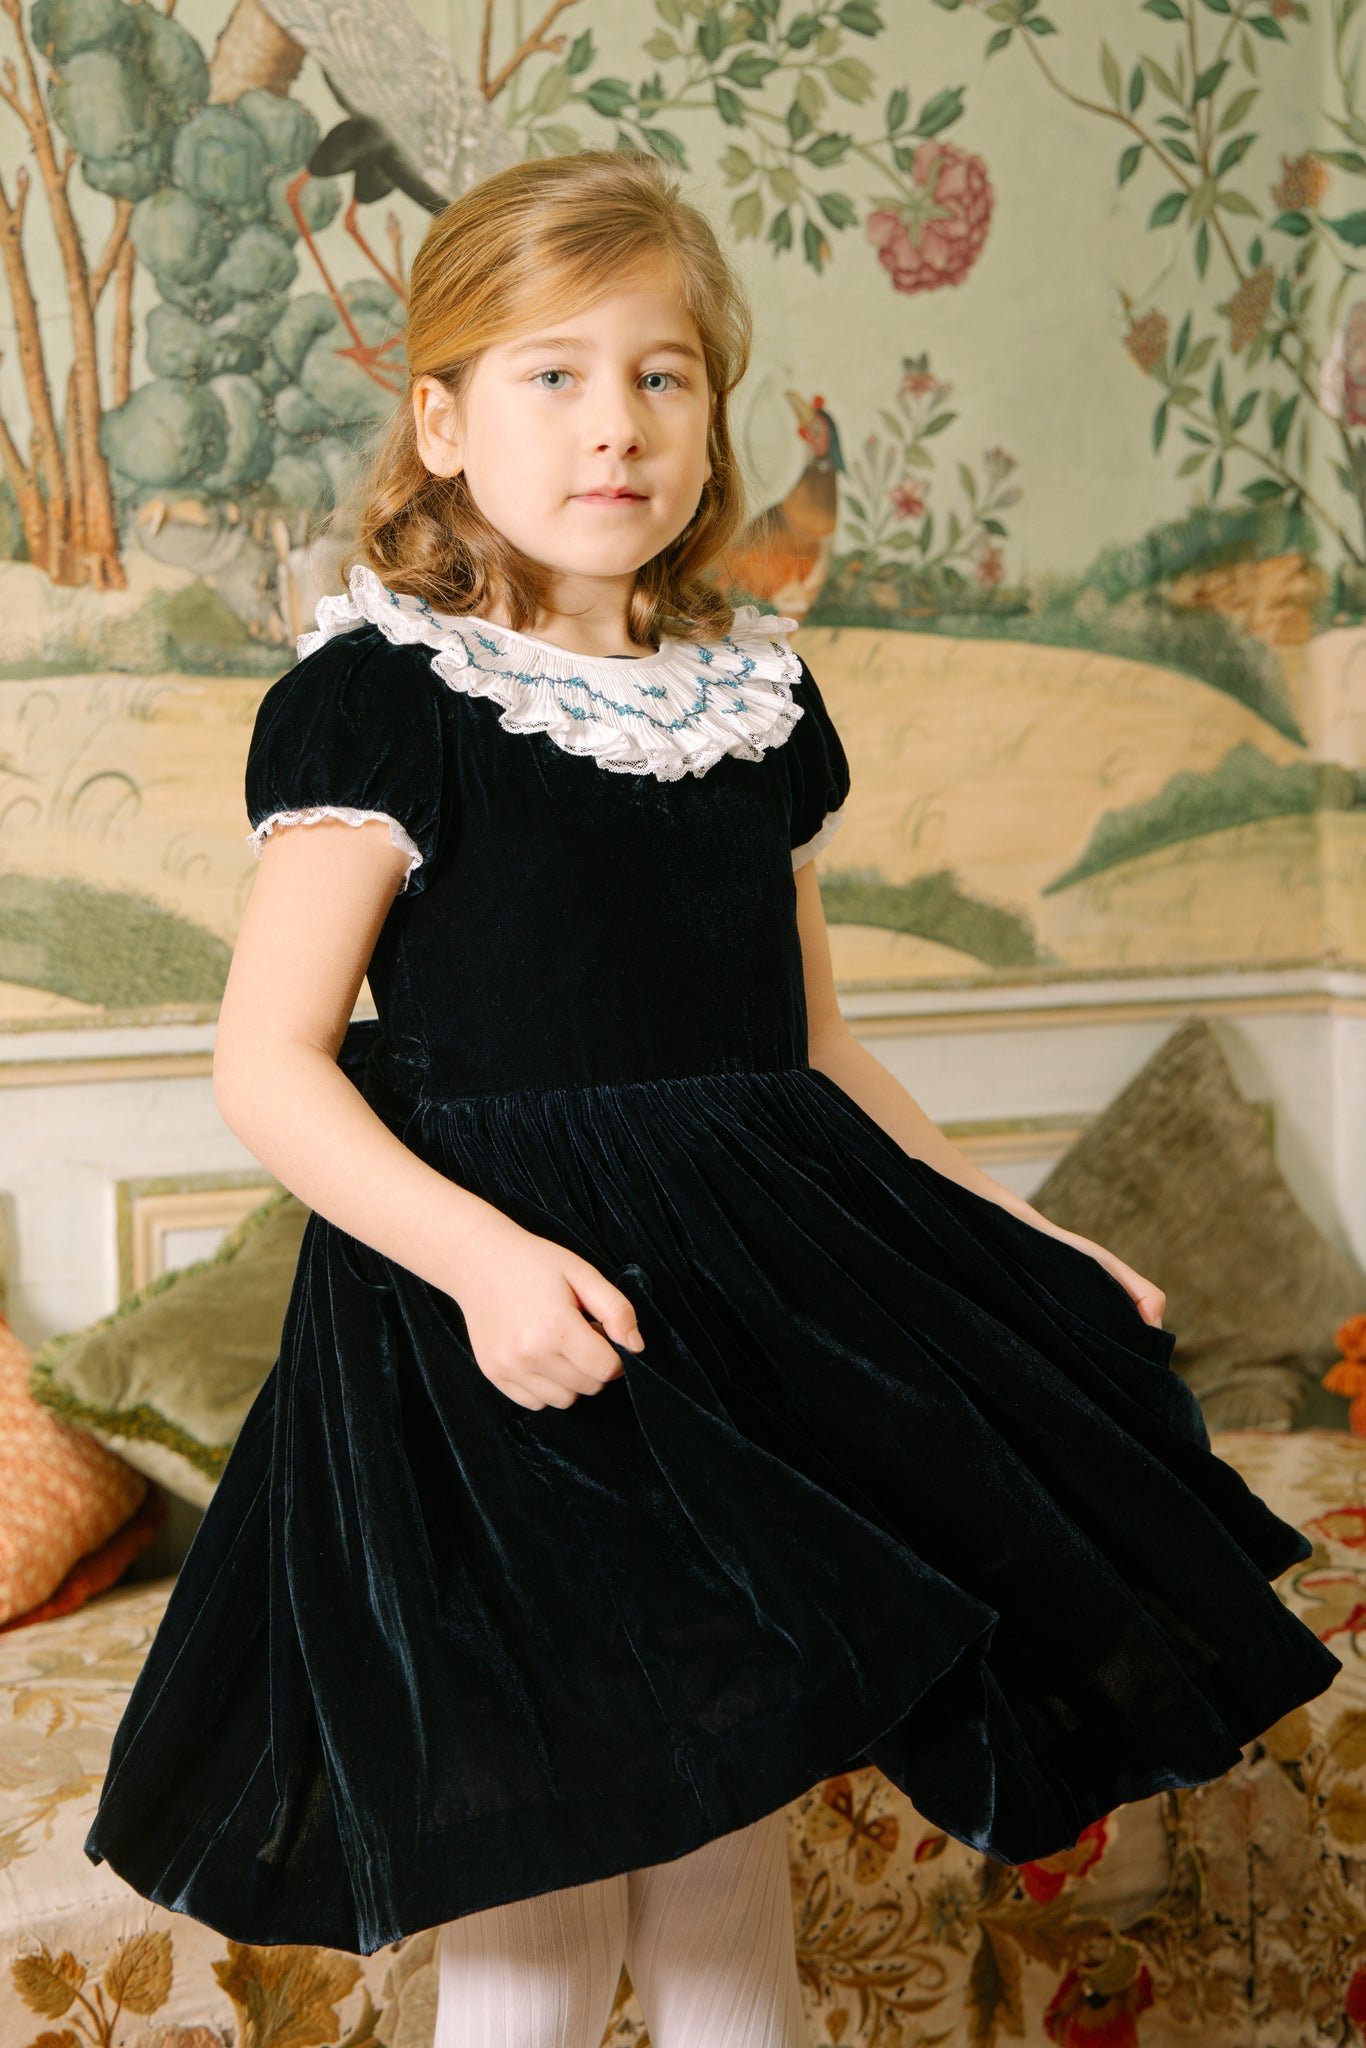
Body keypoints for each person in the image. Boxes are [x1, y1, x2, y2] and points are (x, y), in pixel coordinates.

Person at [83, 147, 1341, 2045]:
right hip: (501, 1341)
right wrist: (492, 1268)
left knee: (724, 1852)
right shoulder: (385, 697)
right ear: (438, 420)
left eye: (663, 376)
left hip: (740, 1317)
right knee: (538, 1894)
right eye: (553, 375)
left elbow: (818, 1052)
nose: (617, 426)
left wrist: (1011, 1229)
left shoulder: (752, 699)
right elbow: (265, 1062)